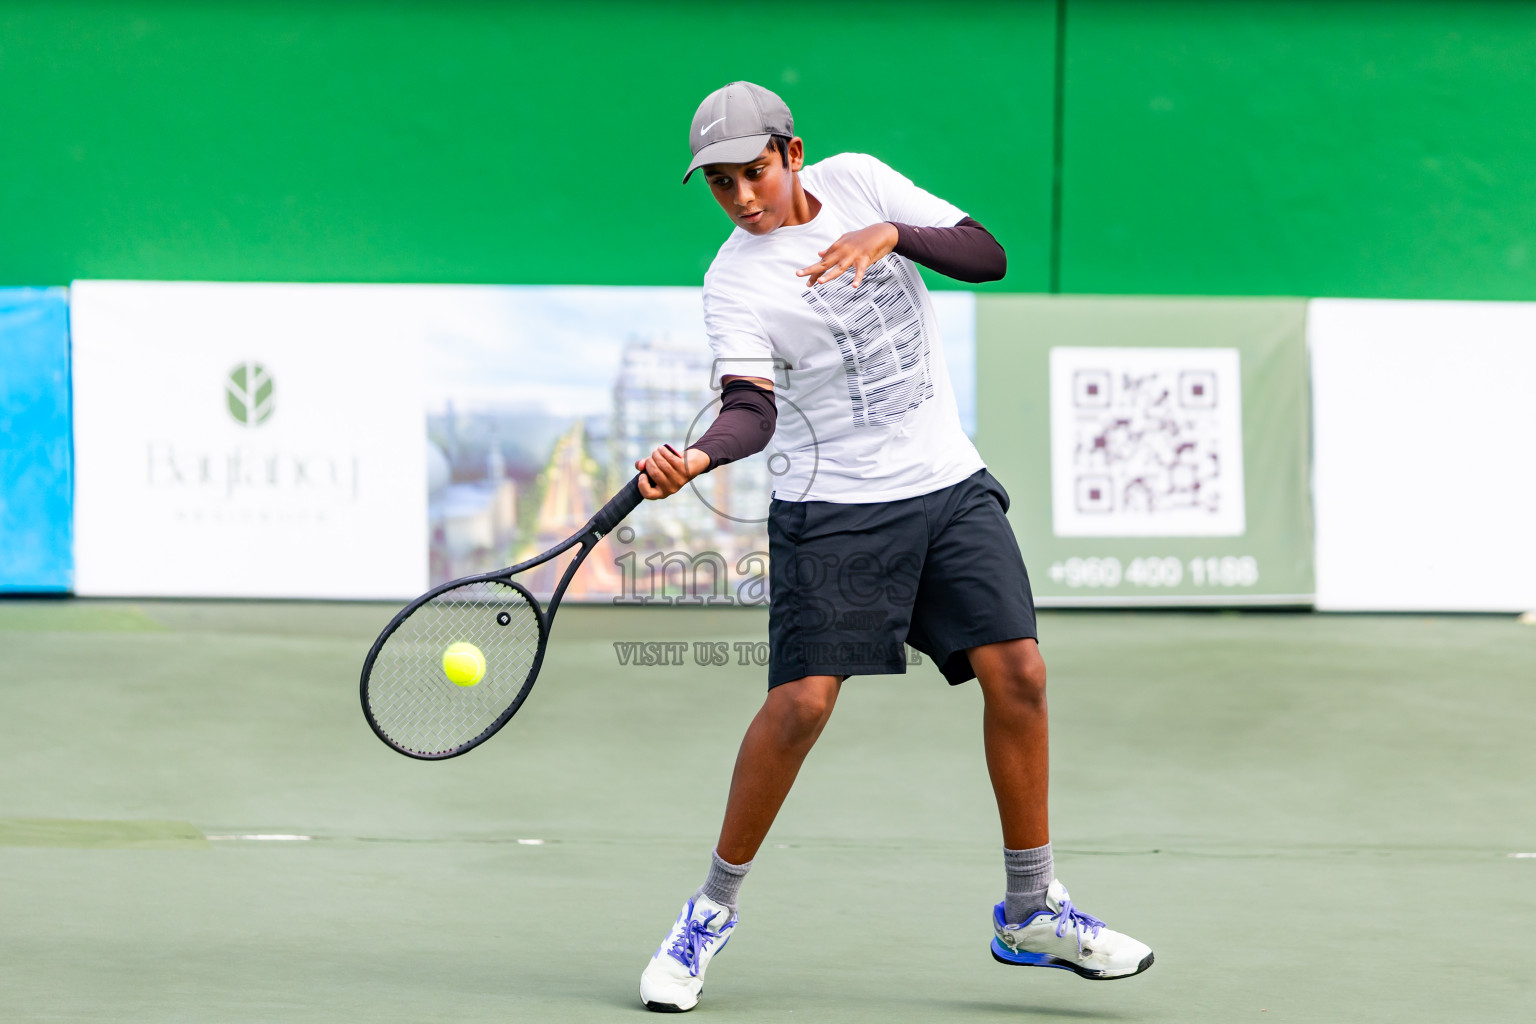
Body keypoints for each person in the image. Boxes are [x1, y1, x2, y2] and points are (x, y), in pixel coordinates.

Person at [632, 81, 1153, 1014]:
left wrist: (894, 236)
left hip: (944, 483)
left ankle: (1029, 909)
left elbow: (986, 255)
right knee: (799, 707)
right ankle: (708, 913)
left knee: (1020, 671)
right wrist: (701, 456)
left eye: (753, 172)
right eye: (720, 184)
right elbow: (753, 407)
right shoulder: (734, 281)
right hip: (831, 507)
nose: (743, 198)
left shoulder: (863, 180)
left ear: (792, 153)